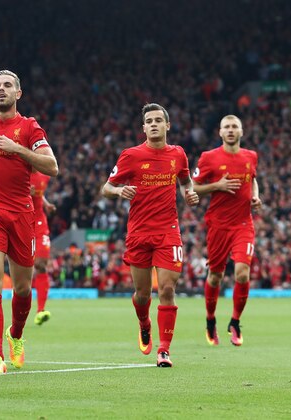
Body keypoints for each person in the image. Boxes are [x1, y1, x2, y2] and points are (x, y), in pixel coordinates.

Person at [101, 103, 199, 367]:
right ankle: (144, 323)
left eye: (158, 120)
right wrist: (119, 192)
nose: (154, 124)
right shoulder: (131, 156)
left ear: (167, 125)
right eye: (149, 121)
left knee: (167, 288)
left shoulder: (178, 154)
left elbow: (185, 181)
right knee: (142, 294)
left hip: (168, 231)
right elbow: (106, 188)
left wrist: (189, 193)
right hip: (139, 232)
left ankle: (164, 349)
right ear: (143, 127)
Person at [0, 70, 58, 374]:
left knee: (22, 290)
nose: (0, 90)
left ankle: (16, 335)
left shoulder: (29, 127)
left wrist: (17, 149)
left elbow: (52, 166)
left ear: (18, 93)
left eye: (7, 85)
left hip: (23, 215)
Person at [192, 114, 260, 346]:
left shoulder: (251, 156)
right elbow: (193, 187)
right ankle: (210, 320)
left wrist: (255, 196)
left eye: (234, 127)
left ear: (241, 132)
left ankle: (235, 322)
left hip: (243, 224)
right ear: (220, 132)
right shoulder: (209, 158)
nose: (230, 130)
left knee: (242, 272)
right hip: (218, 225)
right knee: (216, 276)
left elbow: (253, 179)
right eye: (226, 127)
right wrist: (217, 186)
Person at [30, 171, 56, 326]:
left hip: (40, 223)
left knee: (41, 264)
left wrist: (45, 204)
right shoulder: (19, 171)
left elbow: (40, 193)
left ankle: (41, 310)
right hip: (23, 220)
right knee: (23, 269)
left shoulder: (44, 175)